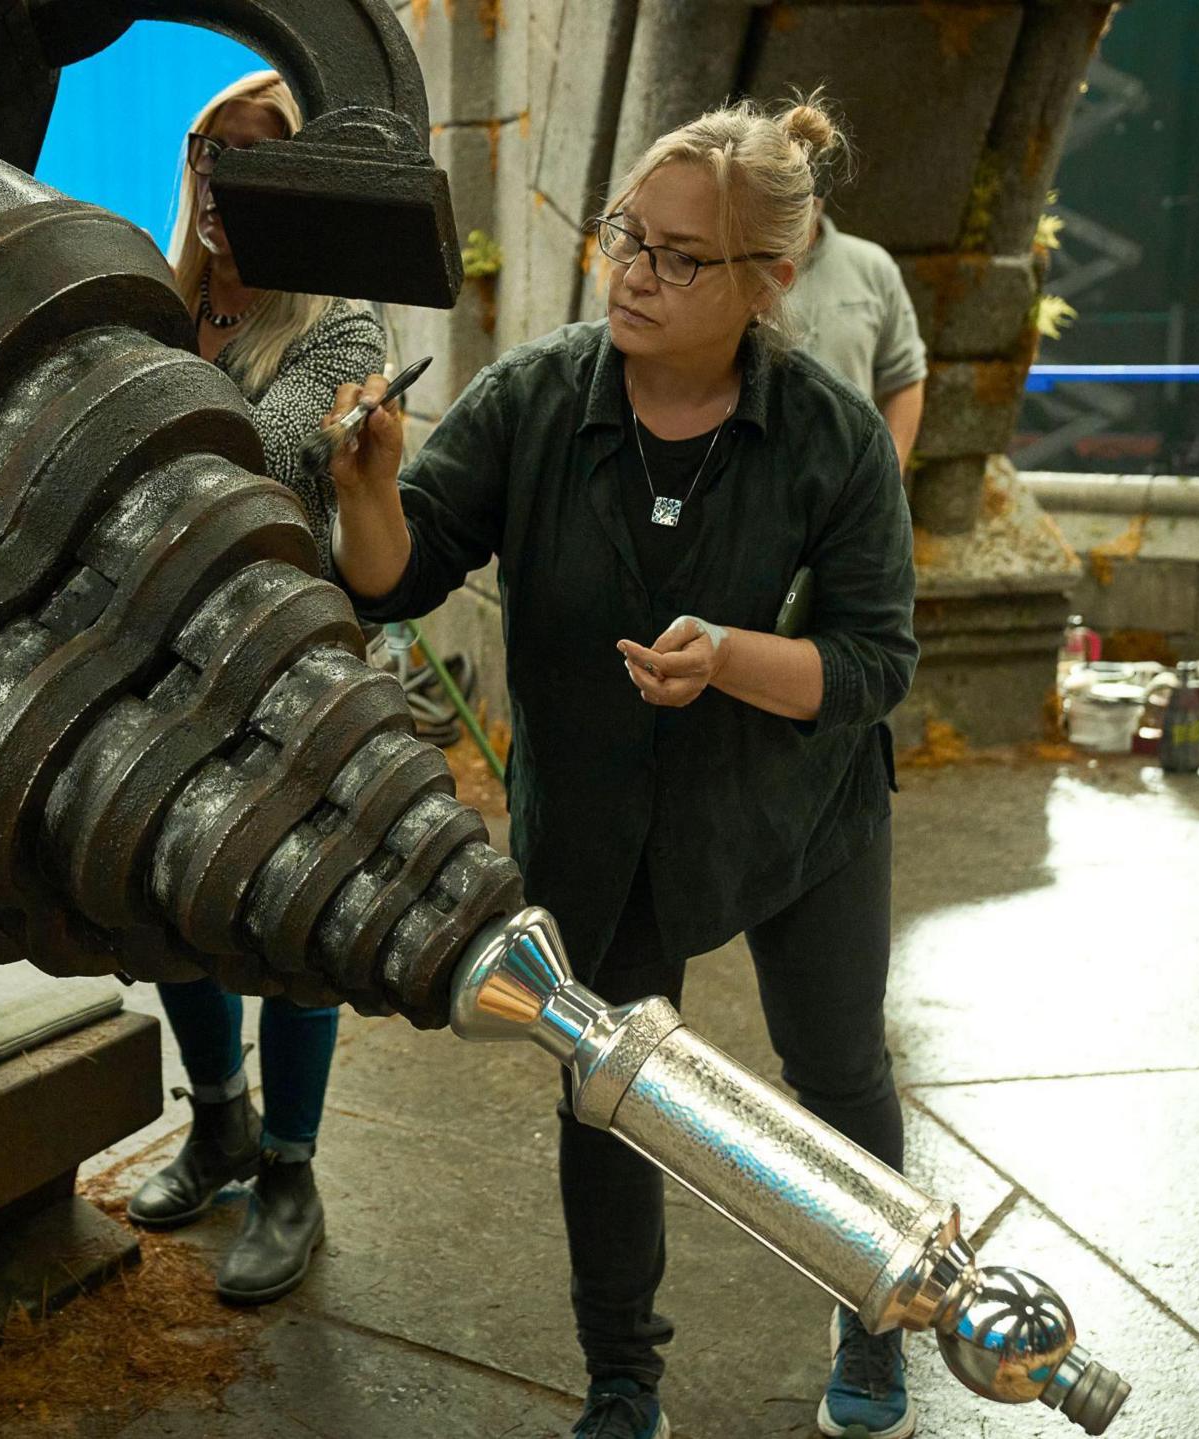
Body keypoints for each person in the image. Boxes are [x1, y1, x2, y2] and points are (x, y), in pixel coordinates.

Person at [324, 95, 919, 1439]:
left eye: (679, 255)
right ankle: (622, 1381)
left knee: (836, 1068)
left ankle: (879, 1310)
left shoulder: (828, 434)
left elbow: (877, 661)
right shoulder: (537, 397)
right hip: (599, 816)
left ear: (770, 279)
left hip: (796, 808)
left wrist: (731, 658)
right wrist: (367, 486)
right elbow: (396, 573)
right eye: (623, 238)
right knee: (610, 1085)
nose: (636, 273)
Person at [121, 70, 390, 1308]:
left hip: (287, 663)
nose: (227, 180)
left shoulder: (339, 330)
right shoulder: (144, 298)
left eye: (258, 157)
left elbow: (290, 465)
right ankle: (219, 1124)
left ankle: (291, 1172)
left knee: (290, 921)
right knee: (169, 901)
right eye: (210, 151)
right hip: (156, 656)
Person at [781, 195, 926, 463]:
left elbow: (905, 377)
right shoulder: (735, 267)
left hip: (850, 483)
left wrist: (888, 476)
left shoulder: (873, 267)